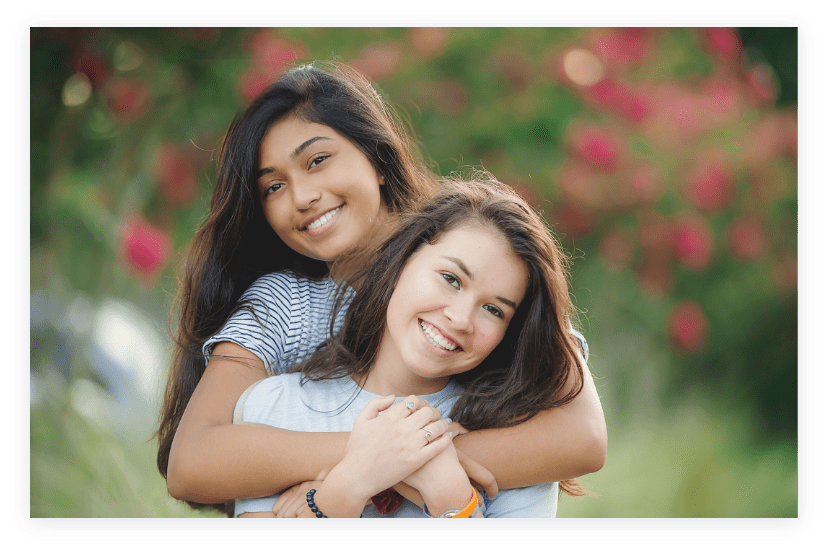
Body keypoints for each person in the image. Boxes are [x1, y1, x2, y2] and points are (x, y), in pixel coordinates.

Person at [156, 62, 606, 517]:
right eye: (274, 187)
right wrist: (375, 459)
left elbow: (583, 438)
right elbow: (193, 462)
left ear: (378, 158)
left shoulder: (473, 256)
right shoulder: (284, 304)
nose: (302, 196)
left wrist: (422, 460)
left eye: (317, 161)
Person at [235, 176, 586, 518]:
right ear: (403, 258)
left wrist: (451, 495)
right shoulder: (274, 408)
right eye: (451, 279)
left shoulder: (516, 442)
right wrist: (346, 489)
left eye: (494, 310)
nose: (462, 319)